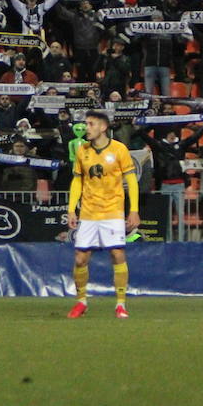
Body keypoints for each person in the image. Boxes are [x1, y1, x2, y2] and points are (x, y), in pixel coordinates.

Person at [66, 111, 138, 319]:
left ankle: (121, 304)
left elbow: (131, 180)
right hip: (88, 212)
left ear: (103, 127)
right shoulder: (82, 150)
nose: (86, 128)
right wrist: (71, 209)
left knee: (117, 254)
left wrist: (134, 210)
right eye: (86, 124)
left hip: (112, 210)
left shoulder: (119, 149)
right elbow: (77, 180)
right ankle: (81, 302)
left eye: (91, 124)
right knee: (80, 259)